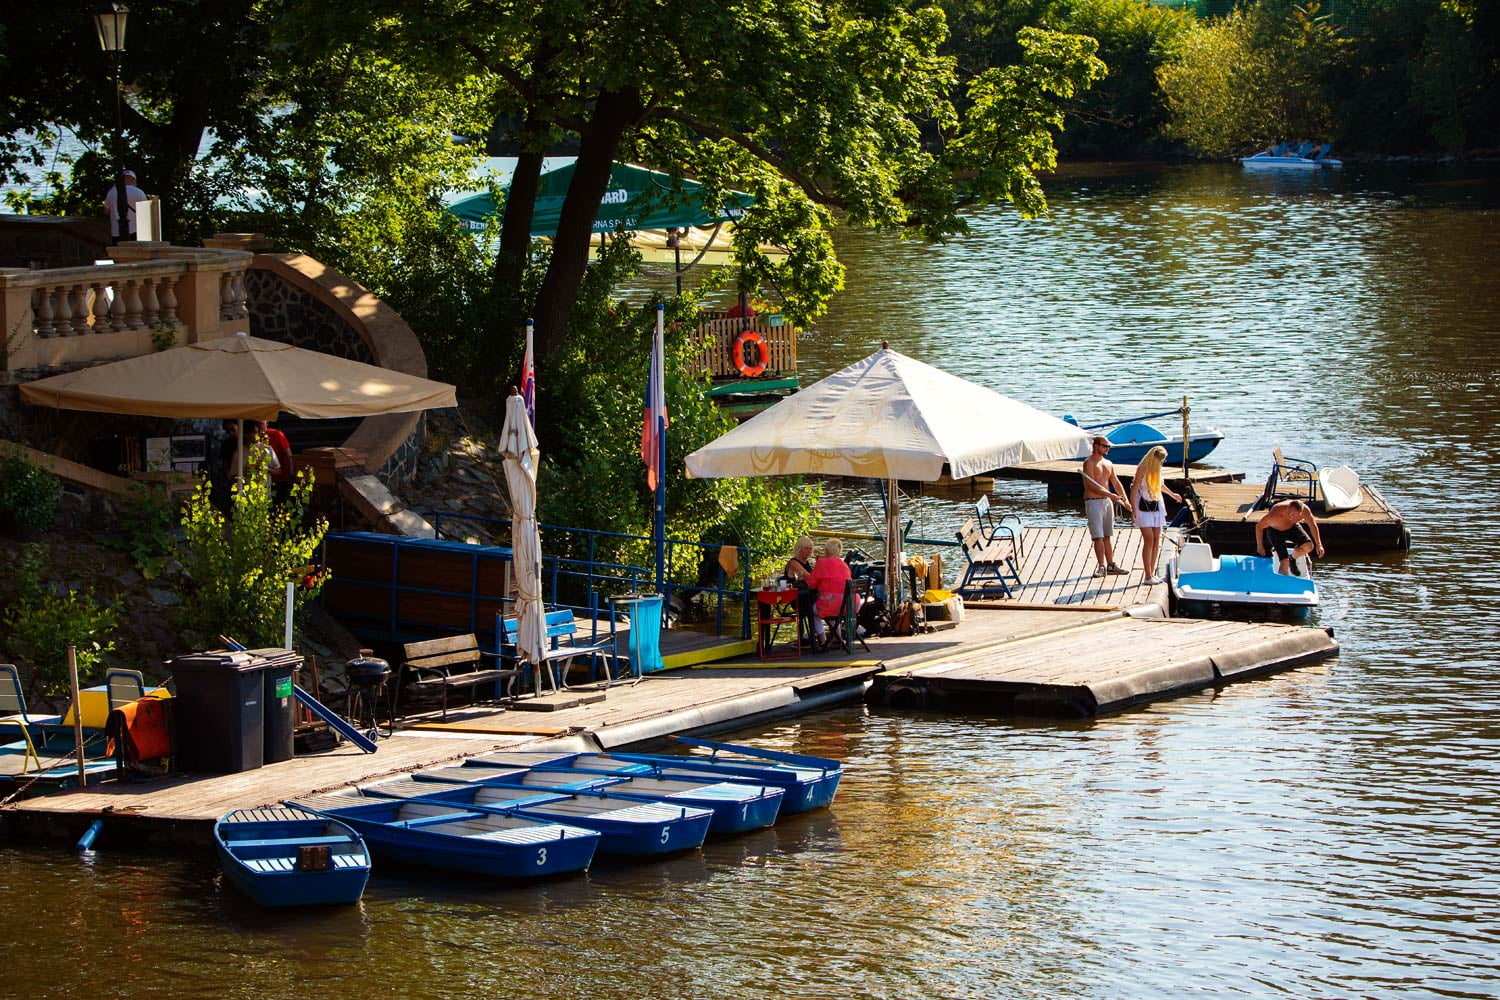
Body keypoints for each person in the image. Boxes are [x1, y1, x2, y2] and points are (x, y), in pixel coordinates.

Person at [1130, 445, 1182, 584]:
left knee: (1156, 540)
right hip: (1143, 506)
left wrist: (1172, 494)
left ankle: (1151, 573)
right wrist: (1133, 508)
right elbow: (1135, 488)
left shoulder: (1157, 470)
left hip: (1157, 504)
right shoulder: (1143, 468)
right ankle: (1147, 575)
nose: (1163, 462)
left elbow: (1160, 485)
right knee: (1149, 539)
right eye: (1162, 459)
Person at [1081, 435, 1130, 577]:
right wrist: (1111, 495)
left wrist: (1126, 500)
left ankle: (1111, 565)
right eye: (1104, 446)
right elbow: (1091, 485)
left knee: (1107, 535)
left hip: (1107, 502)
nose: (1107, 449)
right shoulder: (1089, 463)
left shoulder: (1108, 463)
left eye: (1108, 446)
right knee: (1098, 536)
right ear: (1096, 446)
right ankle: (1101, 566)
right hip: (1093, 501)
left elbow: (1116, 482)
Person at [804, 537, 855, 651]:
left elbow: (811, 583)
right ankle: (838, 638)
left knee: (813, 611)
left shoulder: (822, 562)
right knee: (833, 609)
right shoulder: (844, 565)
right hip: (849, 605)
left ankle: (823, 640)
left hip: (832, 603)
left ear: (826, 550)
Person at [1255, 498, 1325, 575]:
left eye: (1297, 516)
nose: (1294, 518)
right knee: (1285, 562)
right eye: (1292, 515)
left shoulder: (1305, 511)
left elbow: (1312, 525)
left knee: (1309, 546)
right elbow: (1259, 526)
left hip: (1292, 527)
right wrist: (1260, 546)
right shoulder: (1276, 513)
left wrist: (1319, 545)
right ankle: (1283, 584)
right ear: (1287, 511)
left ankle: (1292, 558)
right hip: (1275, 531)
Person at [783, 536, 817, 642]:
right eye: (806, 548)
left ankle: (820, 633)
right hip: (796, 597)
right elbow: (809, 577)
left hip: (806, 594)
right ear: (799, 548)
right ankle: (808, 635)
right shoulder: (794, 562)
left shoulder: (807, 562)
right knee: (821, 598)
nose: (809, 551)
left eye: (811, 548)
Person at [251, 419, 294, 499]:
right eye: (256, 424)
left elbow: (288, 454)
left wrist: (291, 470)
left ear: (267, 423)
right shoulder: (253, 438)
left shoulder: (276, 434)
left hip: (280, 477)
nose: (258, 427)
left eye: (260, 424)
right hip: (263, 479)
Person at [103, 169, 148, 241]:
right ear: (133, 179)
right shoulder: (139, 192)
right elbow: (146, 212)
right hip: (136, 231)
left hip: (117, 232)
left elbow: (106, 211)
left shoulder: (111, 192)